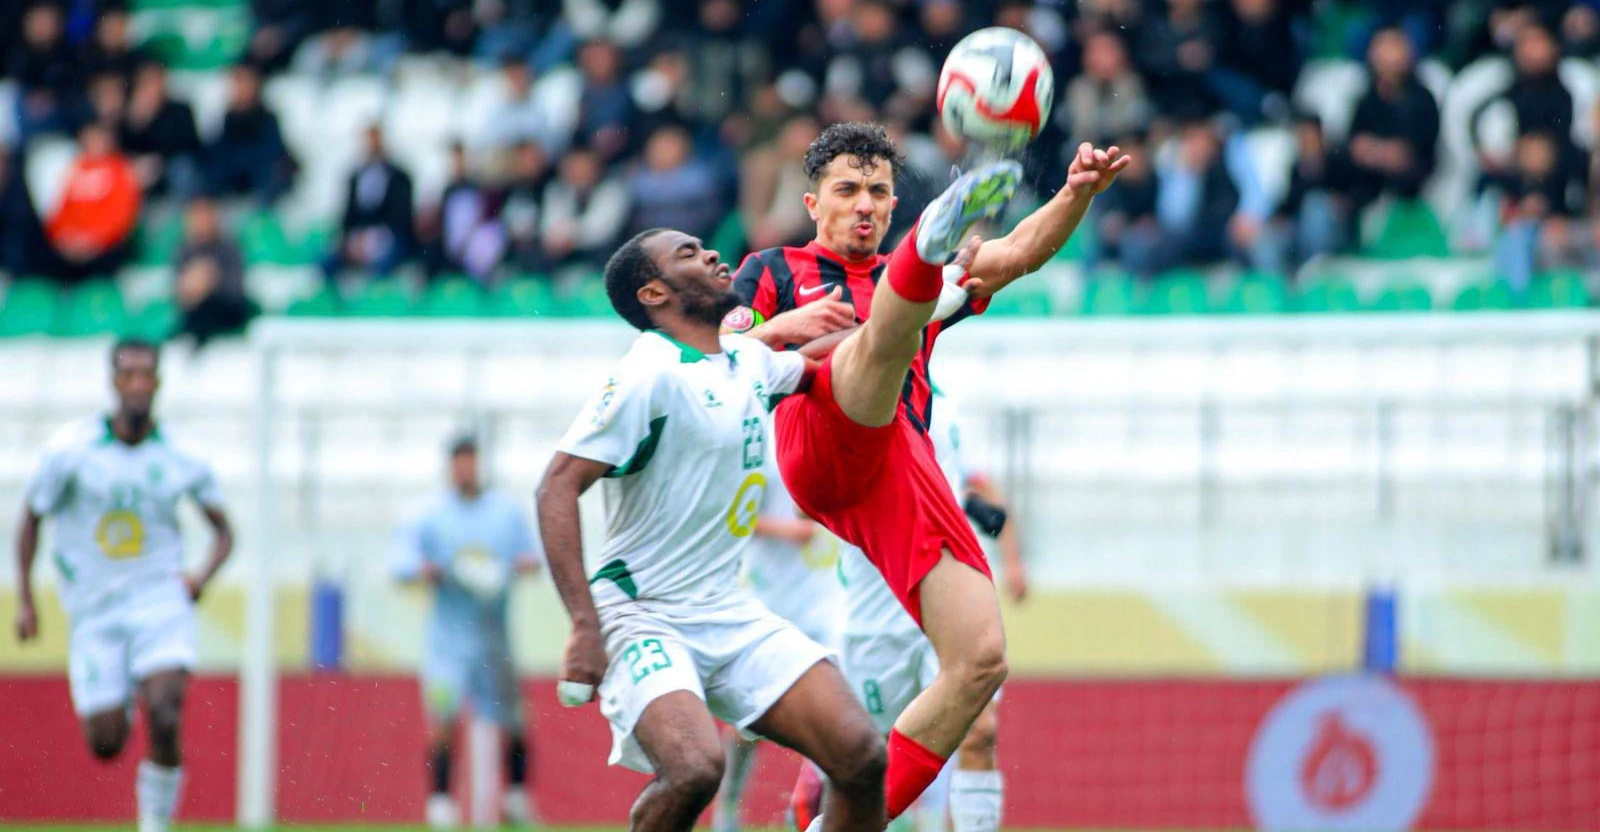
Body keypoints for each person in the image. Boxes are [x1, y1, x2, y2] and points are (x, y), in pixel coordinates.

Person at [723, 122, 1125, 824]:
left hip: (900, 469)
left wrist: (1075, 193)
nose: (865, 205)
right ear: (813, 203)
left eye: (879, 192)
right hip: (819, 440)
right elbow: (723, 358)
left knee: (981, 659)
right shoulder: (773, 271)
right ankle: (929, 246)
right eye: (847, 191)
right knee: (880, 338)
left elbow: (1021, 252)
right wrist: (788, 329)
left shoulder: (911, 288)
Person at [537, 227, 902, 832]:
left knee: (862, 756)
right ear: (653, 293)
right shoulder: (646, 374)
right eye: (688, 253)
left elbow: (839, 353)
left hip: (728, 610)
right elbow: (555, 485)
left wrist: (926, 297)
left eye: (704, 246)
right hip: (640, 612)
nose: (710, 253)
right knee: (695, 769)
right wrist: (583, 626)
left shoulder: (744, 360)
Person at [13, 339, 235, 832]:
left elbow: (225, 532)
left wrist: (199, 577)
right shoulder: (70, 450)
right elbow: (30, 518)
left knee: (166, 710)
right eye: (128, 374)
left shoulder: (183, 455)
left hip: (160, 600)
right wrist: (26, 599)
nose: (137, 384)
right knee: (106, 742)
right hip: (95, 609)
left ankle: (154, 824)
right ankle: (122, 693)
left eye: (146, 375)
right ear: (113, 382)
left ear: (157, 383)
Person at [794, 386, 1029, 832]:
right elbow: (810, 497)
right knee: (869, 760)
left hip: (951, 601)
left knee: (980, 733)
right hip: (876, 612)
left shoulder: (948, 405)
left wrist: (1012, 556)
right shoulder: (855, 392)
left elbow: (972, 482)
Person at [392, 435, 542, 830]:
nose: (465, 469)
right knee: (443, 717)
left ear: (479, 464)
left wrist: (515, 566)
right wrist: (426, 570)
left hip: (496, 640)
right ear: (450, 466)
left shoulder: (506, 513)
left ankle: (516, 795)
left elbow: (533, 558)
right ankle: (440, 801)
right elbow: (400, 565)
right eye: (459, 462)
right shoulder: (428, 515)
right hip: (447, 644)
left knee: (513, 719)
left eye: (471, 461)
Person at [711, 422, 841, 832]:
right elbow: (735, 520)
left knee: (835, 711)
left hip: (827, 603)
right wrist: (797, 530)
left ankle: (808, 810)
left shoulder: (834, 434)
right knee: (747, 724)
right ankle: (727, 807)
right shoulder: (760, 441)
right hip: (769, 603)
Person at [46, 121, 142, 284]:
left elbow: (122, 216)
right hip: (73, 246)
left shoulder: (119, 169)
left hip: (103, 246)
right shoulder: (76, 169)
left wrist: (92, 241)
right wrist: (65, 238)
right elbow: (61, 211)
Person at [173, 197, 252, 348]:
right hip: (194, 311)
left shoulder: (229, 249)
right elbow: (178, 292)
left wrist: (210, 281)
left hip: (225, 310)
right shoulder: (185, 251)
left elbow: (236, 291)